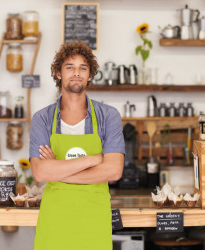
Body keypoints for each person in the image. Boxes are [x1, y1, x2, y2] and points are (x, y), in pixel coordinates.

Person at [29, 41, 125, 250]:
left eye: (83, 68)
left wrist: (58, 169)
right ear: (58, 73)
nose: (76, 73)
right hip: (55, 220)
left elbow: (114, 170)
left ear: (90, 75)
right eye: (70, 67)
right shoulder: (42, 119)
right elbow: (40, 172)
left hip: (94, 220)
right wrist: (92, 160)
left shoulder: (108, 116)